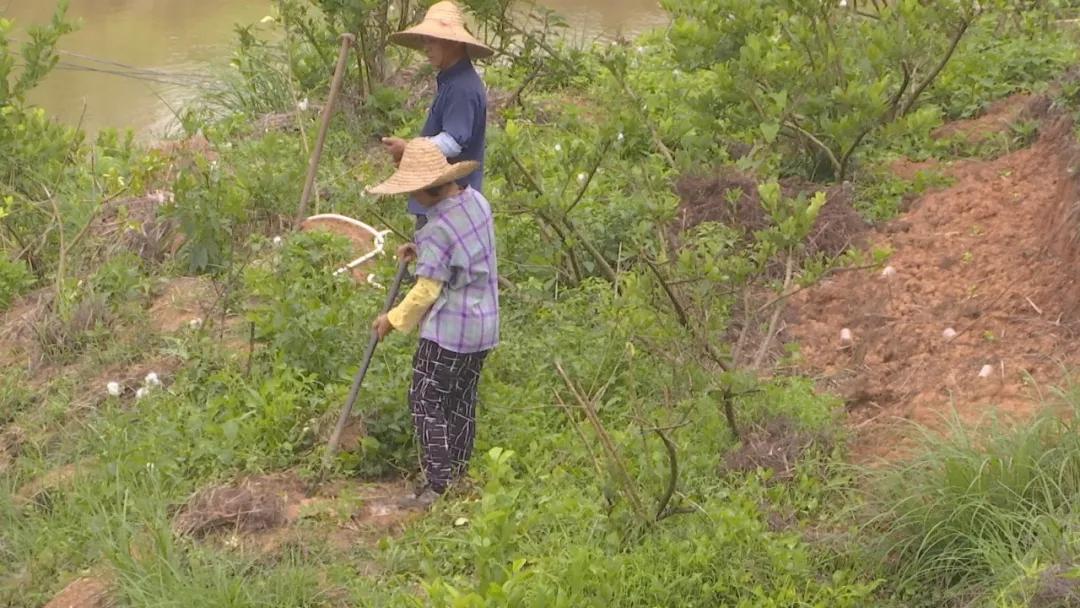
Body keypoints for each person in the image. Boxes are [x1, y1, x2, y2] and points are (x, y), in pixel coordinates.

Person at [369, 138, 499, 507]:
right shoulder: (476, 202)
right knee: (461, 399)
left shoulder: (437, 229)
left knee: (426, 398)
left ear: (425, 190)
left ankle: (437, 485)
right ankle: (457, 473)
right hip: (483, 326)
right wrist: (423, 250)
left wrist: (391, 320)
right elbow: (465, 254)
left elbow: (426, 291)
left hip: (449, 332)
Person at [381, 1, 492, 233]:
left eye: (432, 40)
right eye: (425, 40)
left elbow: (452, 143)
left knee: (434, 264)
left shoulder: (462, 87)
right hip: (445, 201)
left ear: (453, 42)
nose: (426, 47)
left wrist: (409, 148)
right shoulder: (453, 81)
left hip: (447, 203)